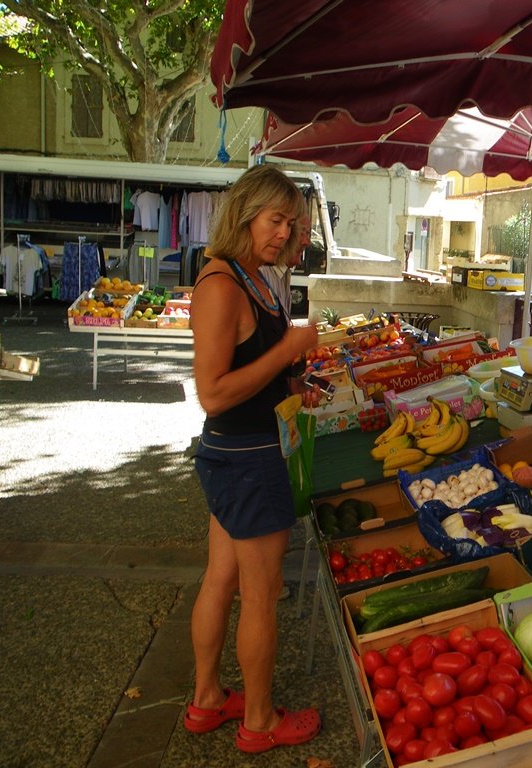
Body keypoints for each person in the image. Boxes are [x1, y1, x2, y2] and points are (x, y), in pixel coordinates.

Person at [184, 164, 322, 753]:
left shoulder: (253, 276)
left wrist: (290, 387)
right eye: (275, 220)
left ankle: (207, 699)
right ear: (244, 212)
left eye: (291, 223)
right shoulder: (221, 285)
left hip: (240, 452)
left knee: (221, 577)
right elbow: (213, 393)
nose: (284, 233)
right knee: (259, 595)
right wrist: (288, 348)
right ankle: (260, 722)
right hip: (248, 458)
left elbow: (251, 374)